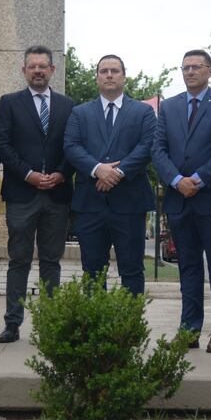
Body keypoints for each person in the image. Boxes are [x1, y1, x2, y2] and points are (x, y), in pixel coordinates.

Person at [152, 49, 211, 353]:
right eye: (185, 67)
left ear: (209, 70)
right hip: (179, 201)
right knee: (188, 267)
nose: (190, 72)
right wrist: (177, 180)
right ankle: (189, 329)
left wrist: (199, 179)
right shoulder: (170, 106)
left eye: (196, 67)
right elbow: (158, 149)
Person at [0, 45, 74, 343]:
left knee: (51, 261)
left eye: (43, 66)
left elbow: (73, 145)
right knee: (19, 261)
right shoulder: (10, 103)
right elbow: (2, 145)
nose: (38, 71)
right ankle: (12, 323)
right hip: (22, 193)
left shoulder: (68, 106)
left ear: (52, 70)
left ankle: (50, 322)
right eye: (32, 66)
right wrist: (28, 174)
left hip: (57, 193)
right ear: (24, 71)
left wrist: (62, 172)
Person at [64, 55, 156, 296]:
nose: (109, 75)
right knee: (93, 270)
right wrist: (98, 169)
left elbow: (148, 145)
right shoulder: (79, 113)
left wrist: (119, 172)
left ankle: (130, 329)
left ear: (124, 76)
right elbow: (71, 146)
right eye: (104, 71)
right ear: (97, 78)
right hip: (90, 203)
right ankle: (95, 329)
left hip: (130, 202)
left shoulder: (143, 112)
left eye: (114, 71)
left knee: (132, 269)